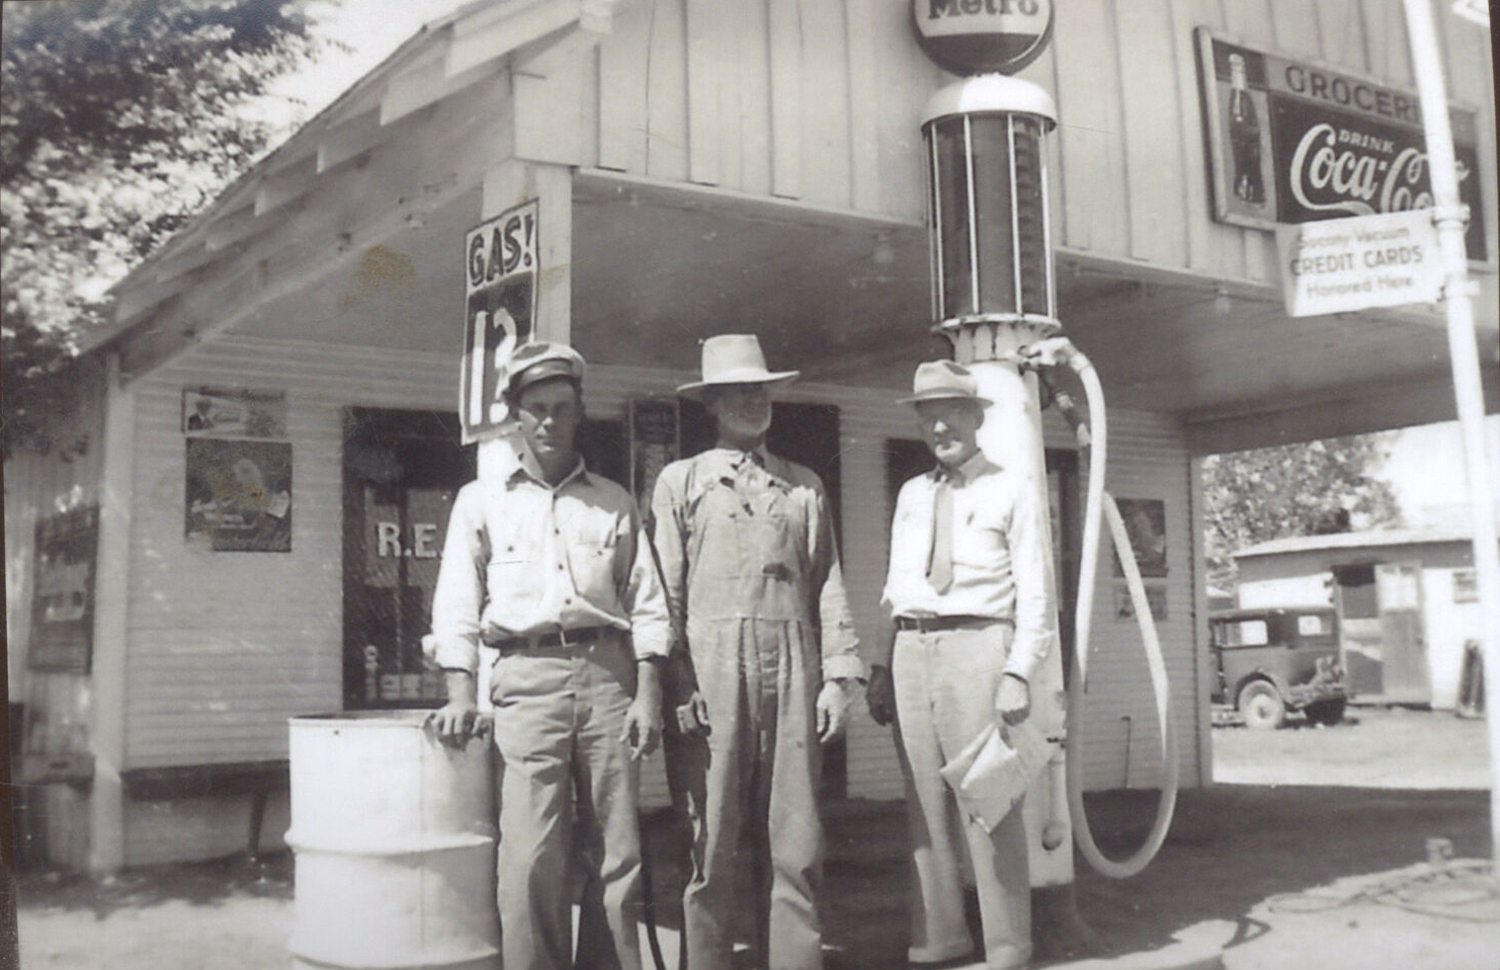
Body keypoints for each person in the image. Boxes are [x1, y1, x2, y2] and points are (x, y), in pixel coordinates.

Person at [426, 341, 671, 970]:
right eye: (536, 408)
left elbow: (647, 603)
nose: (549, 421)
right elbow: (457, 601)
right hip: (526, 680)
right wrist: (460, 692)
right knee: (531, 852)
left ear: (579, 413)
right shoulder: (481, 500)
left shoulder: (613, 501)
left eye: (562, 408)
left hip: (609, 677)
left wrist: (648, 693)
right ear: (515, 414)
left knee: (618, 850)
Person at [651, 333, 864, 970]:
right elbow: (663, 592)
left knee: (796, 838)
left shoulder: (803, 486)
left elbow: (827, 582)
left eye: (760, 391)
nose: (752, 402)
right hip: (711, 666)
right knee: (710, 834)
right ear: (712, 404)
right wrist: (678, 680)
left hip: (793, 662)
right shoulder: (681, 481)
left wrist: (838, 677)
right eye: (737, 392)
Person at [867, 359, 1056, 970]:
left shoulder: (1011, 488)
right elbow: (896, 585)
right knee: (923, 806)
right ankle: (940, 939)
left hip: (979, 646)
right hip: (911, 649)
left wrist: (1018, 672)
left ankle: (1007, 950)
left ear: (977, 418)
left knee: (989, 800)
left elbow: (1037, 594)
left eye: (952, 412)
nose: (940, 425)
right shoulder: (911, 494)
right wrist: (879, 665)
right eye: (929, 414)